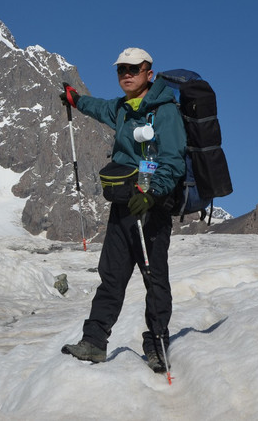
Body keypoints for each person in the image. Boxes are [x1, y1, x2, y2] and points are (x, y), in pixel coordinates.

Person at [59, 47, 186, 373]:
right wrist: (76, 100)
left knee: (154, 279)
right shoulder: (121, 109)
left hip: (152, 206)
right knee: (111, 275)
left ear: (149, 73)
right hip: (123, 205)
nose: (126, 74)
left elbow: (173, 159)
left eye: (133, 68)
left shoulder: (165, 112)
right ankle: (94, 343)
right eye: (121, 70)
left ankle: (157, 347)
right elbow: (98, 106)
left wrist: (153, 194)